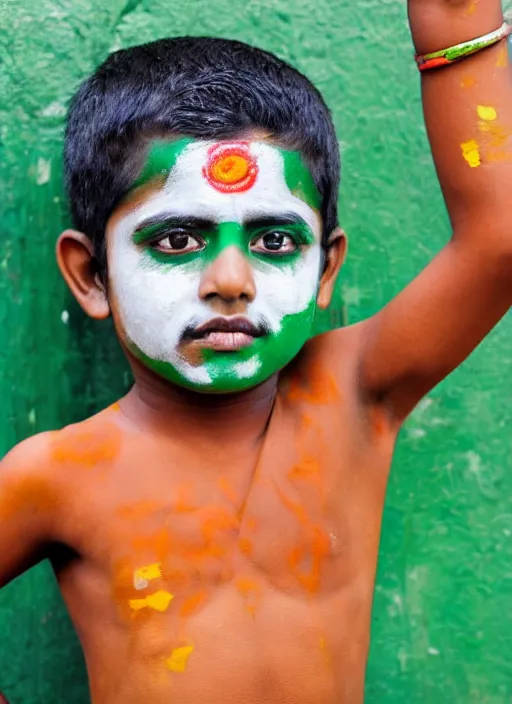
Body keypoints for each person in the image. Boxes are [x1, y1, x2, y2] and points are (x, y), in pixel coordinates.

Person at [1, 0, 511, 702]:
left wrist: (458, 24)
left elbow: (500, 245)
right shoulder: (55, 478)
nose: (232, 282)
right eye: (177, 240)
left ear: (326, 269)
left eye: (274, 241)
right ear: (93, 276)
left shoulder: (353, 394)